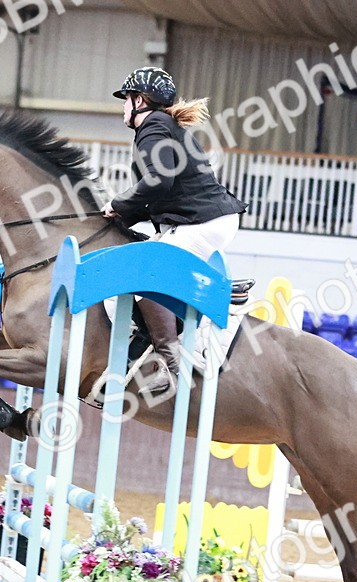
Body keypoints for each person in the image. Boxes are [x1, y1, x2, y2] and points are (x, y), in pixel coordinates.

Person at [101, 67, 247, 395]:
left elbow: (157, 181)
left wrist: (119, 202)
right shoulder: (163, 126)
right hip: (204, 221)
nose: (123, 107)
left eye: (126, 100)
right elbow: (159, 194)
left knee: (144, 271)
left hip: (203, 222)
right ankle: (148, 346)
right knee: (139, 265)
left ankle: (172, 367)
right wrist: (118, 216)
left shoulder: (153, 124)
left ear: (140, 100)